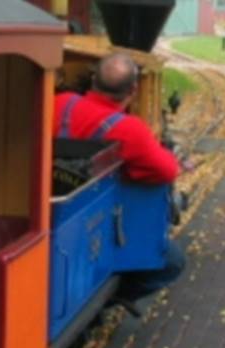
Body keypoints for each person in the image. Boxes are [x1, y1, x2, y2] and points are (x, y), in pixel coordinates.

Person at [53, 53, 184, 305]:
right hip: (94, 222)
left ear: (93, 80)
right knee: (173, 262)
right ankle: (110, 299)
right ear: (133, 90)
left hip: (50, 210)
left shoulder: (60, 103)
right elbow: (167, 171)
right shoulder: (130, 130)